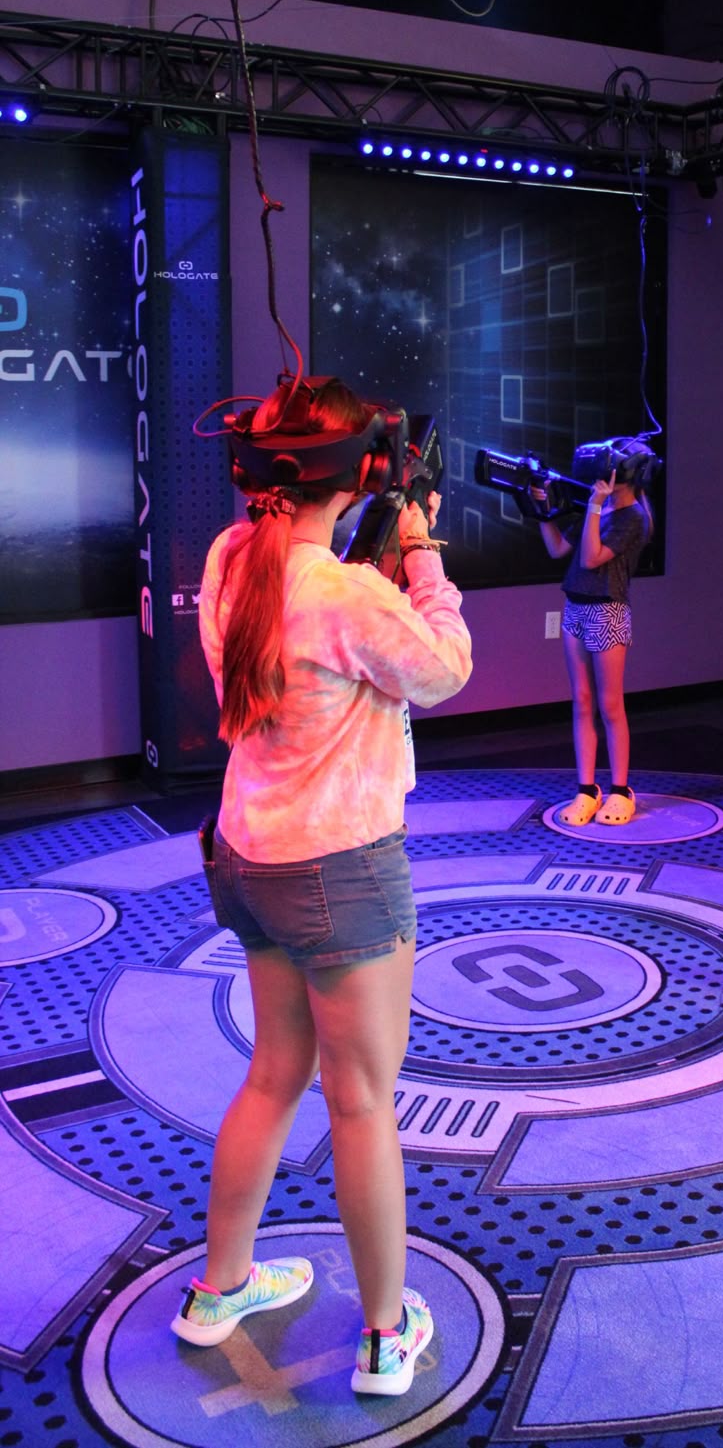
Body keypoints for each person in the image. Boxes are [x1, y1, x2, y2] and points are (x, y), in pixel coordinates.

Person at [174, 376, 472, 1397]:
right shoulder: (348, 595)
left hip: (249, 858)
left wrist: (376, 565)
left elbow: (311, 619)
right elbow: (443, 667)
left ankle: (219, 1288)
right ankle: (387, 1334)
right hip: (341, 870)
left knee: (274, 1073)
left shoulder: (231, 557)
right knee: (361, 1100)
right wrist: (422, 553)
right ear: (360, 476)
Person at [532, 440, 653, 825]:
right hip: (575, 607)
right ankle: (587, 789)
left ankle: (620, 790)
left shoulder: (634, 518)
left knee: (610, 704)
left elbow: (590, 557)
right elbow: (557, 549)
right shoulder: (594, 508)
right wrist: (541, 510)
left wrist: (596, 506)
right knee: (582, 701)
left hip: (607, 610)